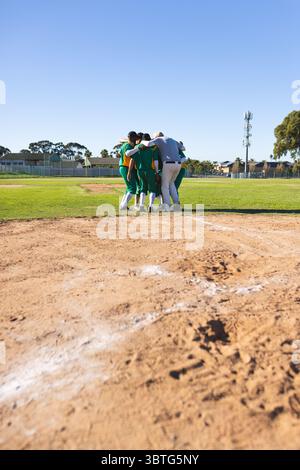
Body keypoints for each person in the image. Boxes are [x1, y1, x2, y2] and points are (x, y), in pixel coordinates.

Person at [140, 132, 184, 210]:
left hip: (168, 163)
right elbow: (183, 148)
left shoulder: (159, 139)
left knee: (164, 186)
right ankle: (177, 204)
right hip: (178, 164)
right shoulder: (172, 139)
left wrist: (142, 141)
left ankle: (167, 205)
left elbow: (148, 144)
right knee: (171, 184)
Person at [126, 133, 159, 212]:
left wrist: (129, 172)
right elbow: (156, 161)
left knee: (142, 189)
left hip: (140, 171)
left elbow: (130, 158)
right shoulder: (153, 147)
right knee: (152, 189)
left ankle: (141, 205)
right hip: (150, 170)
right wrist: (157, 172)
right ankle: (150, 205)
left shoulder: (137, 147)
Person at [118, 131, 138, 210]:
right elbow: (128, 155)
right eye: (135, 137)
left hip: (123, 167)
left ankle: (123, 205)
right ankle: (123, 206)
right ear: (132, 138)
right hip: (126, 167)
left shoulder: (124, 145)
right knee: (133, 188)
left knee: (128, 188)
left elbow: (119, 153)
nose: (136, 139)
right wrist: (129, 172)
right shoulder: (129, 146)